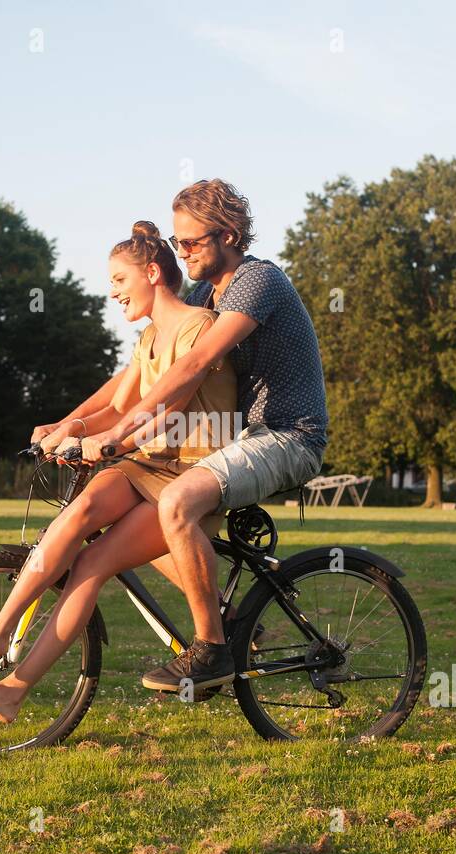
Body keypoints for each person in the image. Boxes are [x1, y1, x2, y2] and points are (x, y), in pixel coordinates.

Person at [0, 221, 236, 720]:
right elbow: (117, 411)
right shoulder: (148, 339)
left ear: (152, 273)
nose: (111, 292)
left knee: (92, 564)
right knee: (77, 513)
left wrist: (108, 443)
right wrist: (67, 431)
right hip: (146, 461)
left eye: (119, 281)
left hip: (191, 473)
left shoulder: (198, 326)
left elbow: (169, 411)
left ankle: (15, 688)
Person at [86, 179, 328, 694]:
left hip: (288, 435)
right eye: (178, 243)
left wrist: (125, 431)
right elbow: (144, 367)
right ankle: (235, 620)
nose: (183, 253)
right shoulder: (200, 295)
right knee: (139, 521)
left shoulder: (257, 281)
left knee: (174, 502)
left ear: (230, 236)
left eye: (192, 242)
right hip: (238, 438)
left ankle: (212, 651)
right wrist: (72, 426)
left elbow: (194, 363)